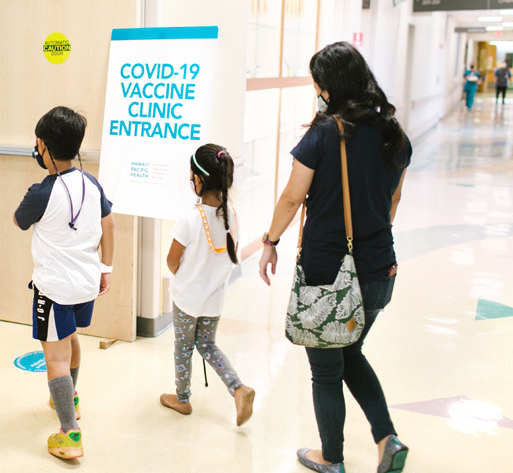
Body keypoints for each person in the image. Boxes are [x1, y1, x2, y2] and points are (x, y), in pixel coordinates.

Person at [258, 42, 412, 473]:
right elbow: (393, 202)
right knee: (351, 355)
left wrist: (270, 242)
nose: (317, 91)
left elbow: (292, 198)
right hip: (382, 269)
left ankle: (332, 459)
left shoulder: (326, 133)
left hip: (329, 273)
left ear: (332, 86)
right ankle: (387, 438)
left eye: (319, 83)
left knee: (326, 369)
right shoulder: (395, 135)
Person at [13, 106, 114, 459]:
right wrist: (107, 268)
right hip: (86, 284)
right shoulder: (92, 182)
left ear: (42, 145)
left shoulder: (41, 192)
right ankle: (70, 398)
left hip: (54, 289)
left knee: (54, 357)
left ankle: (70, 434)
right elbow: (109, 225)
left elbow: (19, 221)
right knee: (70, 341)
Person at [160, 143, 255, 426]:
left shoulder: (190, 219)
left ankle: (182, 398)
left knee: (183, 347)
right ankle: (238, 388)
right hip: (214, 300)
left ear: (199, 180)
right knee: (208, 345)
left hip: (187, 300)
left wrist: (184, 276)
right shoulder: (233, 216)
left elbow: (171, 260)